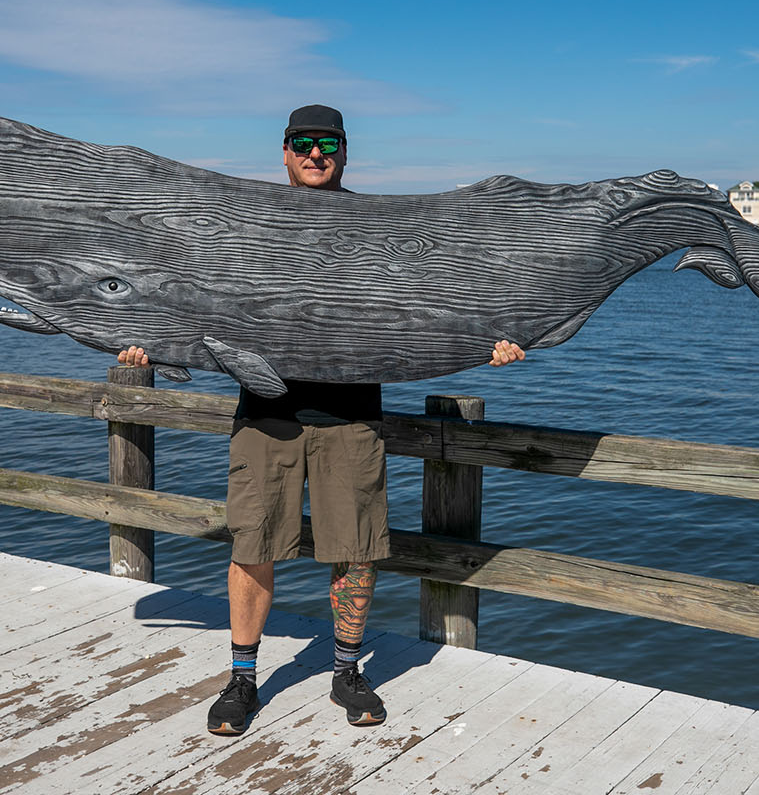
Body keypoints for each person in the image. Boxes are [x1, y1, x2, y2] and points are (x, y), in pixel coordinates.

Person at [117, 104, 525, 736]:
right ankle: (243, 678)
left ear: (344, 151)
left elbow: (431, 298)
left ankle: (346, 671)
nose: (314, 154)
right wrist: (144, 338)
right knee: (253, 546)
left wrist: (491, 339)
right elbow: (192, 293)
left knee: (356, 552)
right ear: (283, 153)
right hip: (264, 417)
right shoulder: (250, 226)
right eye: (302, 144)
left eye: (326, 143)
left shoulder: (374, 227)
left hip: (351, 418)